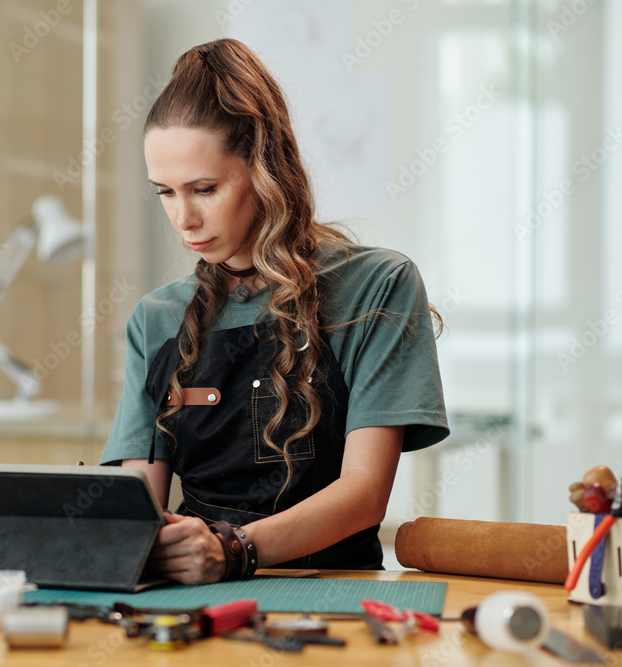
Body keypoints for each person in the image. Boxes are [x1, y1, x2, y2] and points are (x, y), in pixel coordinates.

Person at [99, 38, 449, 585]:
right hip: (188, 598)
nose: (183, 217)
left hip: (332, 596)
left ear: (265, 167)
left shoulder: (378, 285)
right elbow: (140, 501)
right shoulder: (157, 318)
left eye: (204, 188)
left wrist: (233, 550)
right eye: (165, 192)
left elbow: (364, 494)